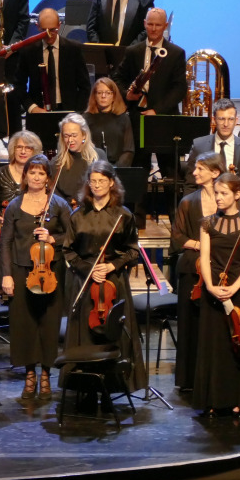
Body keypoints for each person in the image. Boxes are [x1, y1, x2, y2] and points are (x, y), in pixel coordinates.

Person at [63, 160, 146, 398]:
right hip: (85, 281)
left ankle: (115, 385)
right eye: (93, 181)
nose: (97, 185)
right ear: (88, 184)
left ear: (111, 183)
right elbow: (68, 250)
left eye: (102, 181)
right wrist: (90, 268)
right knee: (86, 334)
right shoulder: (77, 216)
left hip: (114, 283)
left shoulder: (124, 215)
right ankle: (85, 388)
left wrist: (111, 265)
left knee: (114, 332)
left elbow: (132, 251)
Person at [0, 154, 72, 400]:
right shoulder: (15, 206)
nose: (37, 177)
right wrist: (6, 275)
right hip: (20, 271)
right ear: (25, 175)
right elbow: (6, 242)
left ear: (48, 178)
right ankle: (30, 374)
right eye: (32, 172)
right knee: (25, 324)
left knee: (48, 324)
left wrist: (53, 239)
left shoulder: (59, 205)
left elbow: (73, 238)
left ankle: (46, 374)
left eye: (42, 173)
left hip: (51, 272)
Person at [194, 173, 240, 417]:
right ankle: (212, 398)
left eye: (223, 193)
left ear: (236, 194)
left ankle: (236, 399)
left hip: (239, 290)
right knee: (214, 345)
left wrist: (234, 288)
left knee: (237, 345)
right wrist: (210, 286)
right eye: (216, 193)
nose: (218, 198)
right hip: (214, 289)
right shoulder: (207, 223)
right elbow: (204, 258)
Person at [112, 7, 188, 180]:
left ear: (165, 26)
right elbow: (117, 78)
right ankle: (139, 207)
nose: (153, 29)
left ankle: (171, 207)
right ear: (145, 24)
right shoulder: (133, 51)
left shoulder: (176, 53)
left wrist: (157, 110)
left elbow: (179, 89)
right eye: (150, 24)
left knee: (170, 171)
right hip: (137, 119)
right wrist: (127, 94)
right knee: (138, 169)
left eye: (158, 25)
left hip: (164, 119)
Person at [171, 151, 224, 393]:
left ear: (215, 173)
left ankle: (214, 376)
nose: (194, 173)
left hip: (220, 267)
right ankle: (190, 379)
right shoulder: (188, 202)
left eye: (200, 169)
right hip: (192, 268)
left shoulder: (228, 202)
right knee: (191, 325)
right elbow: (177, 237)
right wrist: (199, 244)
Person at [18, 8, 91, 114]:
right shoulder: (28, 51)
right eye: (44, 30)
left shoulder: (74, 49)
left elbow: (85, 86)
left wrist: (77, 113)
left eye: (52, 30)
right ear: (37, 27)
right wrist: (32, 108)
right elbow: (19, 85)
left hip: (70, 112)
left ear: (59, 25)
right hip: (39, 112)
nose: (48, 34)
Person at [0, 130, 43, 251]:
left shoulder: (39, 176)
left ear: (34, 151)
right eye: (19, 147)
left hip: (27, 233)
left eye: (28, 148)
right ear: (13, 149)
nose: (23, 151)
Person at [184, 98, 240, 192]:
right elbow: (190, 184)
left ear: (236, 121)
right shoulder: (199, 146)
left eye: (230, 119)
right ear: (214, 120)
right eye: (221, 119)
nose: (226, 124)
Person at [53, 113, 106, 203]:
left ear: (84, 135)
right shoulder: (57, 162)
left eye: (74, 135)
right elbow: (57, 199)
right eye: (66, 136)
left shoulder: (98, 155)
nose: (70, 140)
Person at [84, 77, 134, 166]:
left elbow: (128, 150)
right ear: (94, 96)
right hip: (93, 168)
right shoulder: (86, 119)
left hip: (118, 169)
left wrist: (115, 169)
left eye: (108, 93)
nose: (103, 96)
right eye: (99, 93)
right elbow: (83, 148)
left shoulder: (123, 118)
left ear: (114, 96)